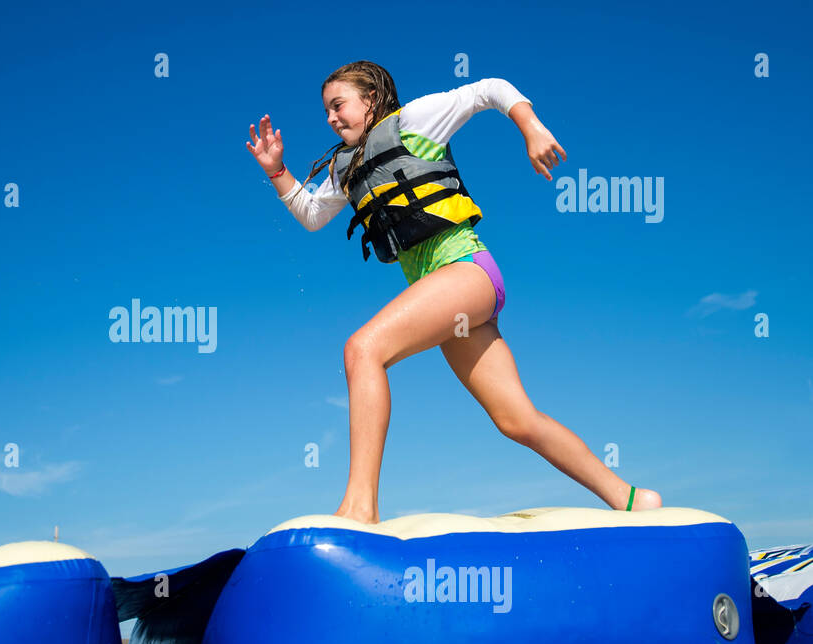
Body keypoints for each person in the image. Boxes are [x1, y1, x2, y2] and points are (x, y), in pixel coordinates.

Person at [246, 61, 662, 523]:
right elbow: (312, 214)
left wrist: (531, 127)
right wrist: (277, 170)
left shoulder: (415, 120)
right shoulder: (349, 167)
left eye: (338, 105)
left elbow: (490, 89)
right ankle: (633, 499)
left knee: (362, 349)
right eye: (326, 111)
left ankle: (360, 508)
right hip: (453, 299)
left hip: (466, 269)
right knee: (517, 420)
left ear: (371, 99)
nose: (331, 118)